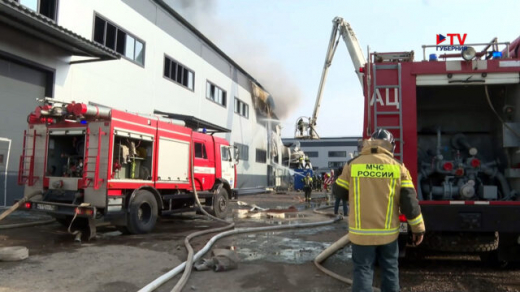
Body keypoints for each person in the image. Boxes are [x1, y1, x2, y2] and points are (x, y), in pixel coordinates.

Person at [334, 129, 425, 292]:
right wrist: (418, 229)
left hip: (361, 233)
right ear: (391, 146)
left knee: (362, 271)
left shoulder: (353, 164)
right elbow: (409, 203)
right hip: (388, 234)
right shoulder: (398, 167)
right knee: (390, 271)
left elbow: (339, 192)